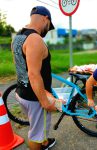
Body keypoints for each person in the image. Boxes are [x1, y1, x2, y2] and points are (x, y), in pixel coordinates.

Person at [11, 6, 63, 150]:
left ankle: (45, 142)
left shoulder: (18, 38)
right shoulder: (35, 39)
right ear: (45, 18)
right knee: (36, 135)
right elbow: (33, 75)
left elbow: (19, 67)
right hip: (35, 99)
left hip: (21, 92)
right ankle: (39, 144)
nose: (48, 29)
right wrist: (45, 102)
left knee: (37, 127)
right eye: (49, 26)